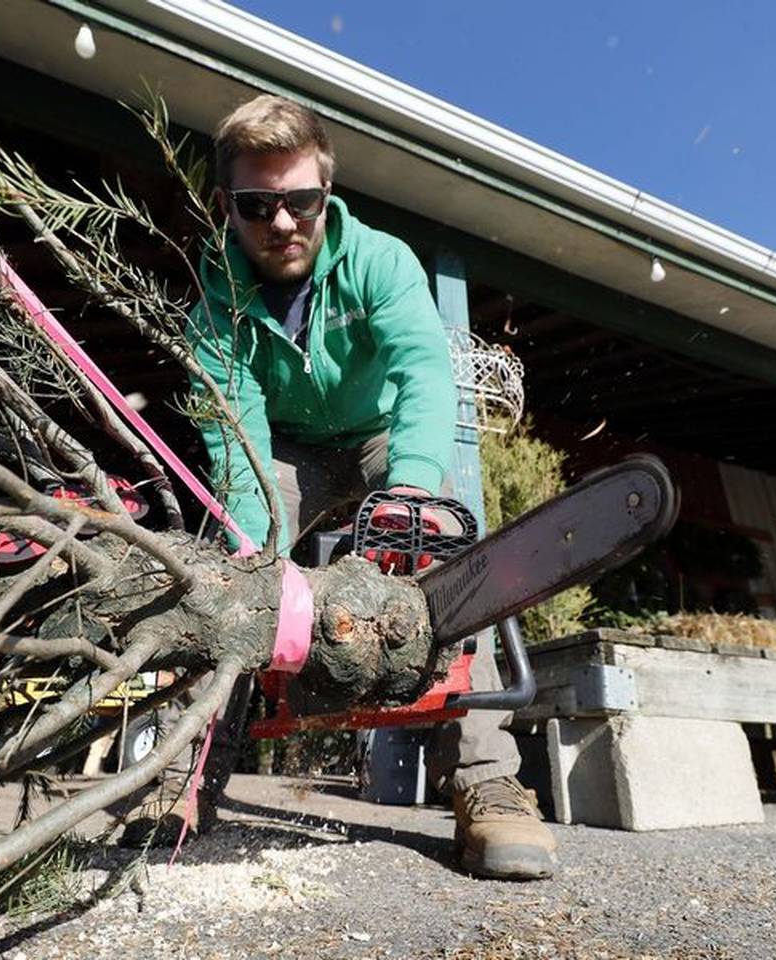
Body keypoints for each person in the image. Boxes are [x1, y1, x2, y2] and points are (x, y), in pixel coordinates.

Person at [185, 94, 556, 880]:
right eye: (257, 206)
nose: (281, 223)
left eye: (300, 202)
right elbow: (235, 433)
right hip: (282, 446)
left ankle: (488, 784)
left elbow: (422, 372)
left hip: (380, 432)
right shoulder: (214, 300)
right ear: (228, 205)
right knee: (229, 572)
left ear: (326, 193)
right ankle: (188, 779)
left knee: (449, 562)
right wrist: (261, 558)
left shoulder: (380, 260)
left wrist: (415, 491)